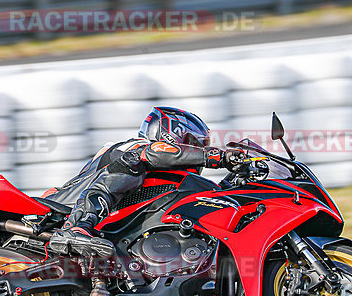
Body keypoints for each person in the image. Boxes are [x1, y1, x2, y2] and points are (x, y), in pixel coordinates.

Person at [46, 106, 244, 258]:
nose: (198, 149)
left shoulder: (152, 172)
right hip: (61, 210)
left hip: (86, 212)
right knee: (132, 163)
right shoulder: (137, 147)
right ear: (172, 135)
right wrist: (217, 156)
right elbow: (159, 153)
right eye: (195, 143)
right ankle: (77, 226)